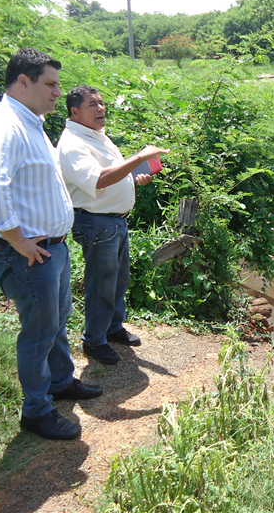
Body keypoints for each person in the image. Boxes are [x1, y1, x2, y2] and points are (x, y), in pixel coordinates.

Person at [0, 49, 102, 441]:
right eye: (50, 84)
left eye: (58, 84)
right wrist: (16, 239)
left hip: (51, 248)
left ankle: (61, 381)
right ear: (23, 81)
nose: (56, 92)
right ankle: (36, 411)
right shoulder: (5, 126)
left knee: (56, 319)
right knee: (39, 331)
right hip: (31, 253)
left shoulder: (31, 123)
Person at [57, 85, 169, 365]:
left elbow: (112, 175)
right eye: (93, 104)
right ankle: (94, 341)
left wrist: (135, 176)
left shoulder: (96, 136)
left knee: (118, 280)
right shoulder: (73, 144)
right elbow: (96, 180)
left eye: (101, 103)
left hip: (113, 221)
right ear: (75, 111)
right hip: (96, 223)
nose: (101, 108)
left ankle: (113, 327)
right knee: (101, 283)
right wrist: (139, 158)